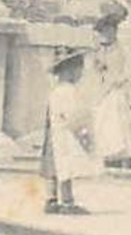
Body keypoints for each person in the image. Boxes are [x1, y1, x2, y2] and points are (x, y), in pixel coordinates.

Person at [40, 46, 96, 214]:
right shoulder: (69, 91)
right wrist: (84, 134)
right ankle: (67, 202)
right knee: (65, 166)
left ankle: (51, 199)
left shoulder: (55, 91)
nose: (81, 75)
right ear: (69, 71)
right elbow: (73, 116)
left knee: (52, 167)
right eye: (79, 70)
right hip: (64, 135)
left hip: (53, 133)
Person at [83, 0, 131, 168]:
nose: (107, 34)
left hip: (117, 90)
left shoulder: (123, 50)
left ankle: (120, 152)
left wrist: (120, 80)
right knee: (97, 113)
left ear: (115, 31)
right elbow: (90, 71)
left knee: (113, 109)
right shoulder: (96, 51)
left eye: (110, 31)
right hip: (99, 90)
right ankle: (105, 152)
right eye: (104, 32)